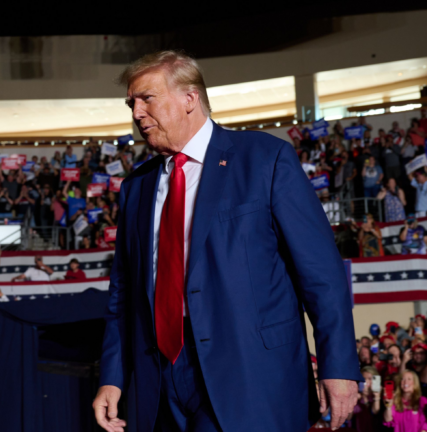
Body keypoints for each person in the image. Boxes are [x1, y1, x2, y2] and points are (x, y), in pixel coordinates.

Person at [91, 51, 360, 432]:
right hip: (160, 380)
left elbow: (321, 275)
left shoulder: (265, 159)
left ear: (189, 99)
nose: (136, 112)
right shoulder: (135, 187)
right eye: (131, 102)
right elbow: (124, 296)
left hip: (250, 376)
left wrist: (339, 366)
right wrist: (113, 375)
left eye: (146, 98)